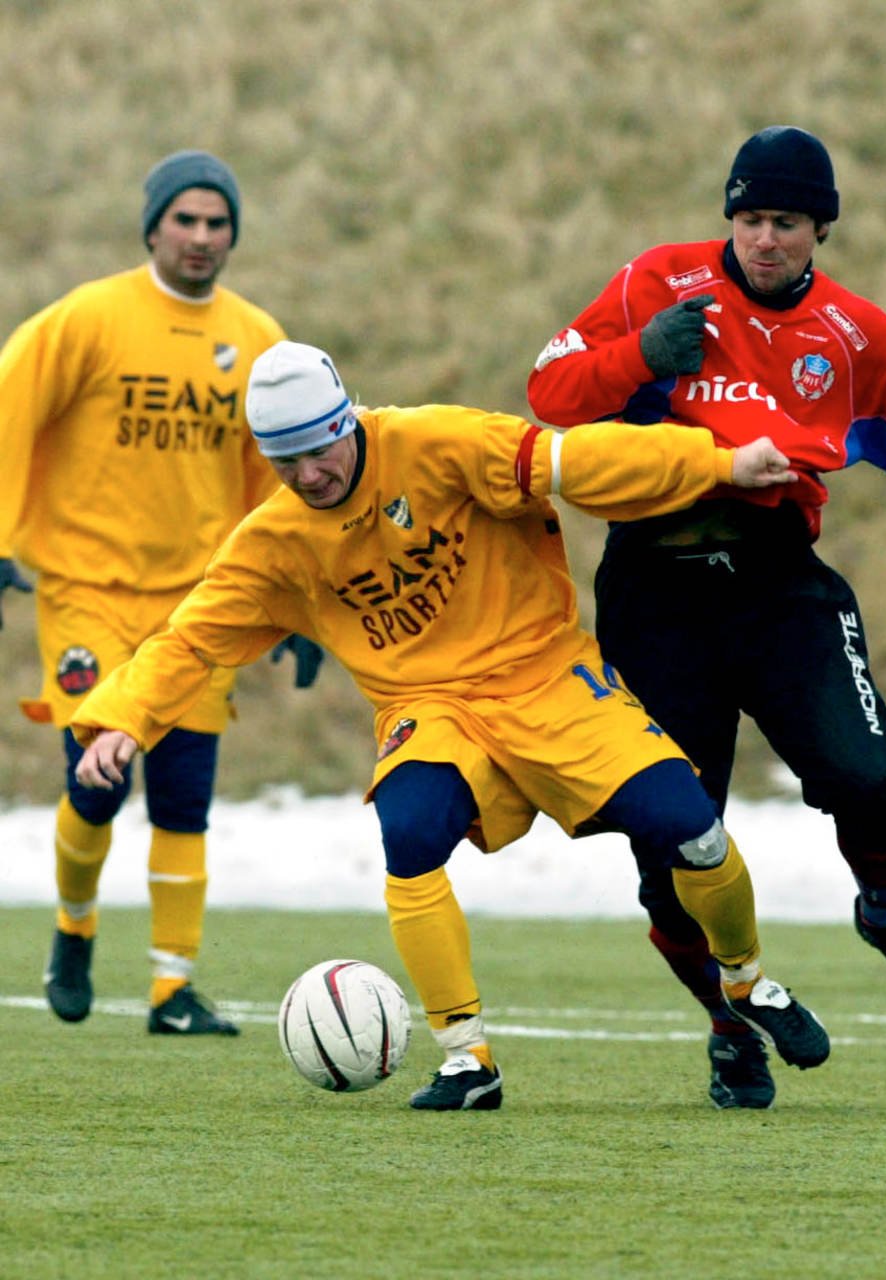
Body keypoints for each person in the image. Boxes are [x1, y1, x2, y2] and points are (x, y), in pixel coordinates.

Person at [70, 340, 831, 1111]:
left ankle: (746, 980)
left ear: (348, 419)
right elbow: (191, 640)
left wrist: (717, 465)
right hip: (429, 708)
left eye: (319, 449)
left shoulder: (437, 443)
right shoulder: (272, 544)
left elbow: (574, 462)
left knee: (690, 828)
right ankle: (468, 1059)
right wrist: (124, 721)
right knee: (409, 834)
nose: (308, 476)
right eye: (285, 461)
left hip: (544, 674)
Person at [527, 125, 886, 1107]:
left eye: (784, 222)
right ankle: (726, 1021)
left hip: (774, 582)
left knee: (868, 781)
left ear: (819, 229)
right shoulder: (652, 287)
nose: (763, 238)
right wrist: (636, 356)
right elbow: (548, 394)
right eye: (748, 218)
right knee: (672, 849)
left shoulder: (853, 336)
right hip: (654, 590)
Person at [0, 150, 324, 1036]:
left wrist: (299, 596)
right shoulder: (90, 319)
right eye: (185, 219)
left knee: (185, 795)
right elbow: (9, 407)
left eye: (217, 224)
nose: (201, 237)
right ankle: (73, 930)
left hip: (199, 604)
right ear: (152, 226)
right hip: (87, 592)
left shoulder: (256, 339)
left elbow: (283, 472)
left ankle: (171, 989)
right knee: (97, 780)